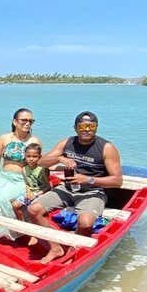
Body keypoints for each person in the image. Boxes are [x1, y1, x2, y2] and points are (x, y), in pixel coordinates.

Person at [27, 111, 123, 263]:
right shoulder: (67, 143)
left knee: (85, 222)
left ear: (96, 127)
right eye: (83, 126)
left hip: (93, 190)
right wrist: (60, 158)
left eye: (91, 126)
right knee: (33, 209)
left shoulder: (106, 147)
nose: (87, 129)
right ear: (75, 127)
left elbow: (117, 181)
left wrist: (88, 179)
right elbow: (41, 162)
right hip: (67, 188)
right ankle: (55, 247)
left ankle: (74, 251)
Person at [0, 108, 41, 243]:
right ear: (15, 122)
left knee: (2, 199)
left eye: (31, 121)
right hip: (4, 177)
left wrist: (31, 186)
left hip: (22, 179)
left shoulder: (34, 141)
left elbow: (37, 165)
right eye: (24, 120)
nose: (28, 123)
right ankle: (6, 227)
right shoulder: (4, 138)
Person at [11, 142, 50, 220]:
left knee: (33, 208)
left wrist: (36, 195)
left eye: (35, 156)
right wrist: (29, 192)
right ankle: (22, 222)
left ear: (40, 157)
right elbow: (27, 184)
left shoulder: (43, 169)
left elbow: (48, 186)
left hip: (42, 192)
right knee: (15, 205)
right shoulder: (24, 169)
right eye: (28, 156)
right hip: (31, 192)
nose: (31, 159)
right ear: (25, 157)